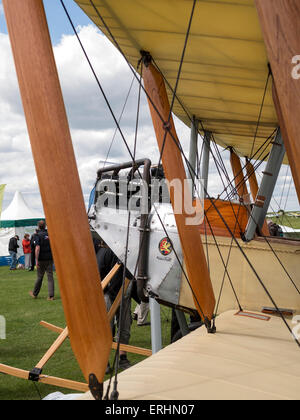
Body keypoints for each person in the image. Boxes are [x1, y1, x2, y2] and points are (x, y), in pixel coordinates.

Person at [96, 241, 132, 371]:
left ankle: (122, 358)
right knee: (106, 329)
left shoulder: (130, 253)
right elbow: (99, 274)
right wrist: (108, 293)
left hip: (124, 293)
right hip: (107, 294)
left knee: (125, 327)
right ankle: (103, 361)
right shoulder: (104, 253)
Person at [29, 220, 54, 301]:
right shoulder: (49, 234)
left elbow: (37, 248)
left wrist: (36, 260)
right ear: (45, 226)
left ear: (38, 226)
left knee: (40, 277)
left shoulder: (37, 235)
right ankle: (51, 296)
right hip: (50, 258)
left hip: (41, 259)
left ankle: (34, 294)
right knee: (50, 277)